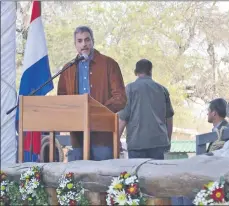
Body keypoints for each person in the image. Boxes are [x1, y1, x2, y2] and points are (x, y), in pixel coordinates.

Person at [57, 26, 127, 161]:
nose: (84, 44)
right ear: (75, 44)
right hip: (77, 137)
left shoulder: (109, 64)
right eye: (80, 41)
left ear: (92, 41)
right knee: (77, 178)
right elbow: (62, 99)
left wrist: (97, 112)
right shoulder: (68, 68)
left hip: (103, 137)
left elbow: (121, 98)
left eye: (87, 40)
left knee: (103, 177)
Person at [118, 59, 174, 160]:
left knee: (137, 175)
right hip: (159, 143)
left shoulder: (130, 89)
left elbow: (123, 118)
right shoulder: (162, 90)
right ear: (150, 71)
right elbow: (169, 119)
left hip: (137, 144)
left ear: (136, 72)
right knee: (157, 175)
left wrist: (116, 140)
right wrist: (168, 141)